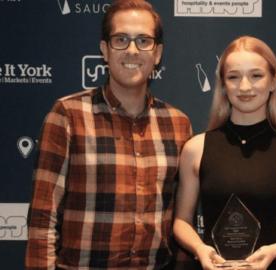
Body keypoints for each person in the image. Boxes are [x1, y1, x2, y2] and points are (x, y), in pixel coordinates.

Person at [25, 1, 192, 269]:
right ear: (104, 50)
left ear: (158, 53)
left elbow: (182, 217)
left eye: (144, 41)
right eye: (121, 39)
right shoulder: (68, 114)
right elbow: (43, 217)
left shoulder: (178, 124)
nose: (132, 50)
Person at [173, 36, 276, 270]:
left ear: (273, 81)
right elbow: (181, 222)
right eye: (234, 77)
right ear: (224, 85)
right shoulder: (196, 148)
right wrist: (200, 249)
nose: (245, 86)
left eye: (256, 75)